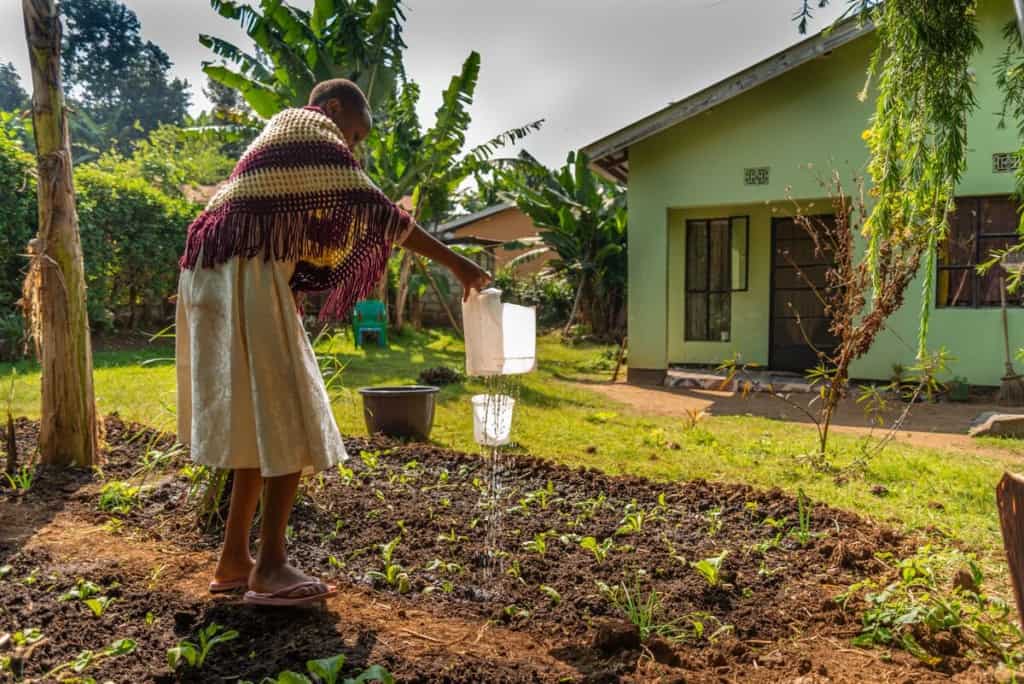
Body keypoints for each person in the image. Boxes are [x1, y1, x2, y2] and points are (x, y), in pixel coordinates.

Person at [176, 79, 490, 606]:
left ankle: (234, 560)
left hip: (214, 274)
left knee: (259, 421)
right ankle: (270, 567)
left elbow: (296, 219)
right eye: (356, 134)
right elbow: (377, 211)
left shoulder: (277, 142)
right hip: (243, 274)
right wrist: (458, 263)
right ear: (334, 108)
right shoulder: (308, 126)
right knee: (291, 415)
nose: (354, 147)